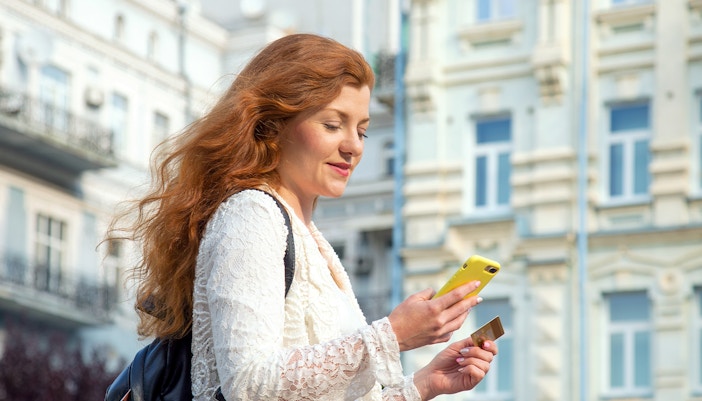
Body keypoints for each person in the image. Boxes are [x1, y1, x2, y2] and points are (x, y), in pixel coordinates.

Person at [113, 33, 497, 401]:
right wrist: (393, 334)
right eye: (332, 125)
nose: (352, 147)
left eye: (362, 131)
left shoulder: (310, 237)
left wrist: (425, 384)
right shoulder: (252, 214)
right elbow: (248, 383)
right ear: (271, 125)